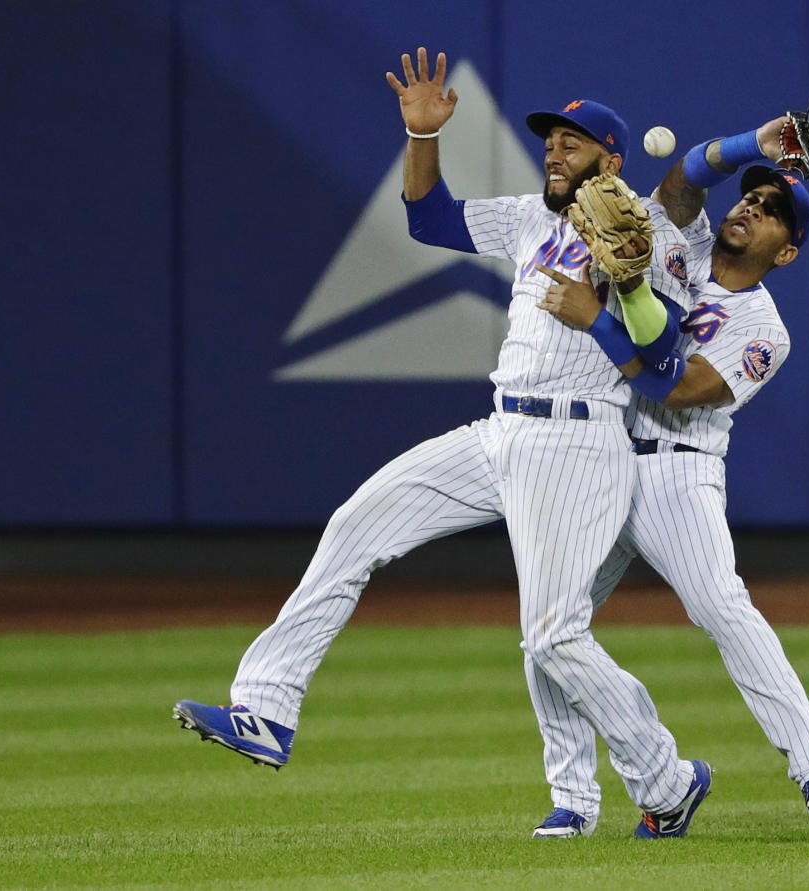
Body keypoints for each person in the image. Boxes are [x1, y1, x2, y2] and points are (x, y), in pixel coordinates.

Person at [172, 46, 716, 840]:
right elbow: (430, 218)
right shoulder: (534, 217)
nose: (555, 150)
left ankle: (666, 781)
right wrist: (422, 137)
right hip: (501, 432)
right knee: (357, 522)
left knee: (554, 636)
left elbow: (666, 361)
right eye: (550, 140)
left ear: (614, 158)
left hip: (577, 444)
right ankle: (267, 708)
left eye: (572, 141)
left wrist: (620, 292)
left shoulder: (647, 231)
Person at [526, 120, 809, 837]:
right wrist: (753, 145)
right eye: (751, 198)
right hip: (598, 457)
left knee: (720, 606)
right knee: (547, 627)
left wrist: (596, 322)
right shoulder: (687, 241)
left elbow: (678, 390)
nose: (750, 209)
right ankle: (576, 798)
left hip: (678, 473)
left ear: (786, 250)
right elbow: (680, 181)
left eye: (770, 211)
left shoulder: (767, 330)